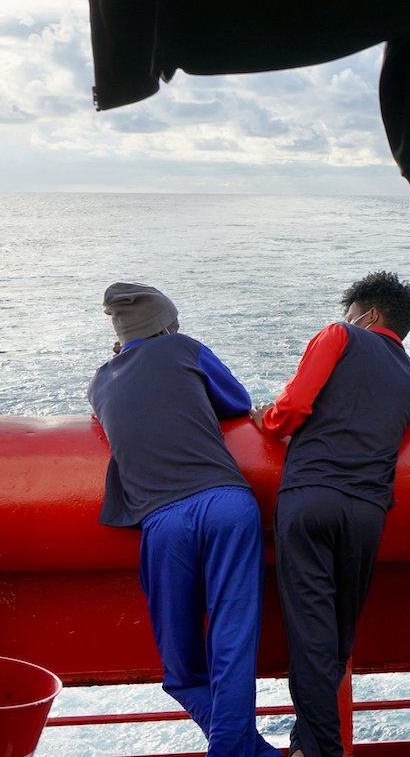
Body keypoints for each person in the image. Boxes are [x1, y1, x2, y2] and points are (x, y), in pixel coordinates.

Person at [87, 282, 280, 757]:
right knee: (231, 646)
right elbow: (236, 401)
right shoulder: (184, 349)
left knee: (179, 671)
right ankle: (243, 750)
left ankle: (236, 748)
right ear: (168, 325)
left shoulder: (98, 382)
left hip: (163, 520)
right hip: (227, 504)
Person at [251, 272, 410, 757]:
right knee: (337, 640)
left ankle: (320, 749)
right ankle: (308, 742)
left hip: (312, 497)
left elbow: (295, 405)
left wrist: (264, 418)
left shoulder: (340, 335)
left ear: (367, 315)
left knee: (310, 638)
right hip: (367, 512)